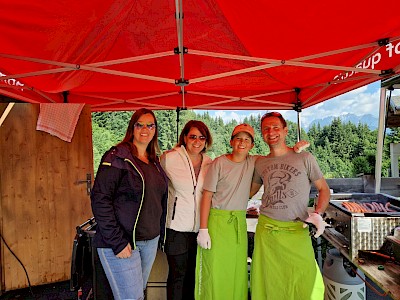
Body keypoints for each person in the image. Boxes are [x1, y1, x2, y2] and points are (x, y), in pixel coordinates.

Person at [249, 111, 331, 300]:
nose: (271, 132)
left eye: (276, 127)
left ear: (285, 130)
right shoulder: (260, 162)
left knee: (305, 279)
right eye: (266, 129)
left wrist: (317, 213)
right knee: (268, 281)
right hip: (267, 232)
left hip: (297, 229)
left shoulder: (304, 158)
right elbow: (248, 193)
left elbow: (323, 189)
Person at [90, 108, 168, 300]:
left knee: (136, 295)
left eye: (150, 125)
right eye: (139, 124)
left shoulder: (154, 161)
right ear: (132, 128)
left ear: (155, 130)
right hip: (123, 242)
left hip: (149, 241)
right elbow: (100, 199)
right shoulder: (116, 157)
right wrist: (117, 242)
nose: (145, 129)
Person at [195, 123, 258, 300]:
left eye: (247, 139)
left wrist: (295, 149)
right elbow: (207, 196)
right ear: (231, 141)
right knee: (216, 269)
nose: (242, 142)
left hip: (238, 223)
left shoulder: (253, 161)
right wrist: (203, 229)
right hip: (217, 222)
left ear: (252, 145)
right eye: (238, 138)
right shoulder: (219, 163)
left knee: (237, 270)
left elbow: (276, 158)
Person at [160, 120, 213, 300]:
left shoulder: (210, 162)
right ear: (184, 137)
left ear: (206, 141)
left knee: (193, 275)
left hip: (200, 228)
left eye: (201, 137)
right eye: (192, 137)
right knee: (177, 276)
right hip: (175, 228)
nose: (197, 141)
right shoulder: (169, 158)